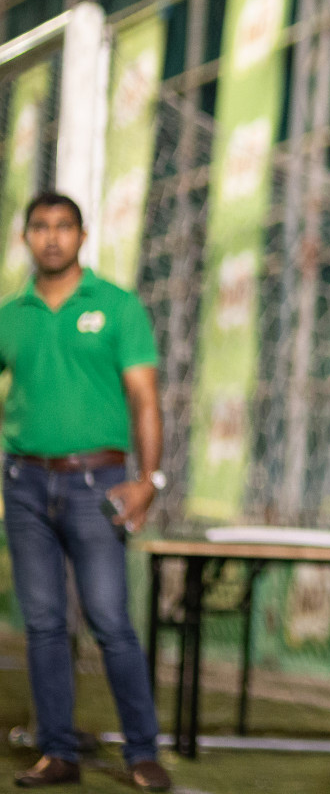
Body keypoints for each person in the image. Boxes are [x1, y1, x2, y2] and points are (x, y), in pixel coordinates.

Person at [0, 191, 172, 791]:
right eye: (40, 227)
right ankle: (57, 753)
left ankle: (143, 752)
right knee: (44, 624)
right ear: (25, 238)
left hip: (97, 486)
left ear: (82, 235)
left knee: (109, 620)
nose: (52, 237)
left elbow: (145, 400)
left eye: (63, 226)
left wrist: (149, 480)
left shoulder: (119, 307)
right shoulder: (10, 313)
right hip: (22, 486)